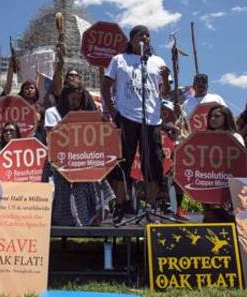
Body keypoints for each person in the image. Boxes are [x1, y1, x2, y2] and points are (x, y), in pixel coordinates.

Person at [101, 25, 170, 215]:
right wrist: (113, 111)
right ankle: (122, 204)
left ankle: (151, 205)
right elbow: (106, 85)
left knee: (154, 162)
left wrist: (165, 77)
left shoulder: (157, 61)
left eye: (148, 35)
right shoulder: (119, 60)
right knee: (124, 161)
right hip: (127, 116)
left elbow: (165, 93)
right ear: (131, 39)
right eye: (141, 34)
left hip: (152, 119)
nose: (145, 37)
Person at [44, 82, 115, 226]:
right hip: (61, 162)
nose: (76, 102)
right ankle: (73, 219)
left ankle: (93, 215)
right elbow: (52, 137)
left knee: (96, 176)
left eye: (78, 99)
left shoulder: (83, 114)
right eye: (73, 99)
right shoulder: (52, 112)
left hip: (81, 161)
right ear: (65, 97)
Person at [202, 105, 245, 222]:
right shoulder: (203, 138)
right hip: (208, 181)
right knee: (210, 216)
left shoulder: (235, 137)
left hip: (228, 182)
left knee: (226, 217)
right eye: (211, 117)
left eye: (217, 116)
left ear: (226, 118)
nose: (213, 119)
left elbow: (241, 161)